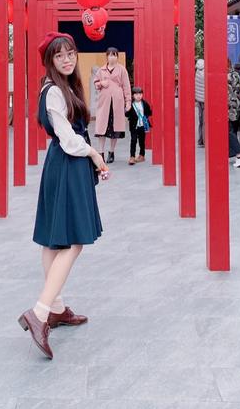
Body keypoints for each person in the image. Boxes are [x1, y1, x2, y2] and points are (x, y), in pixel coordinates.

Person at [19, 32, 108, 360]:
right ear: (50, 62)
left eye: (70, 54)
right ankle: (40, 312)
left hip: (65, 164)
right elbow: (68, 138)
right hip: (68, 163)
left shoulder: (64, 87)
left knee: (54, 241)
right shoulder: (54, 91)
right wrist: (95, 155)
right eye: (59, 56)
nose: (67, 60)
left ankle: (55, 308)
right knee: (73, 242)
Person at [94, 47, 132, 164]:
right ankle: (101, 153)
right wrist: (101, 83)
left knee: (115, 128)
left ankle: (111, 152)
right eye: (110, 55)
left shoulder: (122, 70)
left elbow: (126, 86)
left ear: (117, 57)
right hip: (104, 102)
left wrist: (128, 101)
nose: (112, 57)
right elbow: (96, 83)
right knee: (101, 128)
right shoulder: (101, 70)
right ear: (107, 56)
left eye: (114, 55)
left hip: (117, 102)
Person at [125, 86, 152, 165]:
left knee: (142, 141)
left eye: (140, 94)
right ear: (133, 95)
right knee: (133, 140)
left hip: (142, 126)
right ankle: (132, 156)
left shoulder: (145, 103)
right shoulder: (131, 104)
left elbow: (149, 112)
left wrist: (145, 118)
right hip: (134, 126)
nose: (138, 96)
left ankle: (142, 155)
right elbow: (127, 114)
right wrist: (127, 109)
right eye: (136, 94)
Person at [228, 58, 240, 168]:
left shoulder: (226, 76)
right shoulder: (235, 74)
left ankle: (239, 155)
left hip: (228, 106)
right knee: (233, 130)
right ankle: (234, 154)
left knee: (229, 131)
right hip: (237, 106)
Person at [195, 58, 205, 147]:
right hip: (205, 100)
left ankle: (200, 140)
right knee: (205, 121)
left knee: (200, 120)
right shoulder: (205, 73)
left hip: (199, 99)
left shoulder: (197, 72)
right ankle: (205, 140)